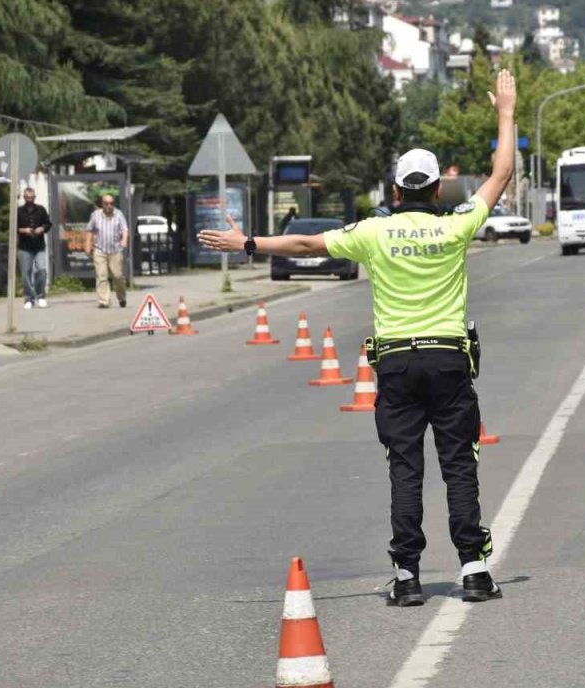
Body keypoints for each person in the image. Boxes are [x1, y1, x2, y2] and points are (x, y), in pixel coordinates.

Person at [200, 69, 518, 607]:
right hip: (448, 360)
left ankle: (408, 577)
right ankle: (473, 569)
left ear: (395, 191)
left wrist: (248, 241)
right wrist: (505, 112)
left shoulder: (373, 232)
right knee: (459, 463)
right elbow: (503, 171)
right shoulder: (455, 225)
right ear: (438, 189)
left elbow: (305, 244)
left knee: (405, 468)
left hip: (395, 364)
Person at [84, 193, 129, 308]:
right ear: (102, 204)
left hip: (115, 250)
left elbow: (125, 229)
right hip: (100, 250)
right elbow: (89, 230)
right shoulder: (95, 215)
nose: (109, 206)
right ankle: (104, 301)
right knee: (101, 276)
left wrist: (124, 240)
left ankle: (122, 297)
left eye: (111, 203)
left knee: (118, 276)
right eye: (106, 203)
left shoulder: (119, 214)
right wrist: (88, 245)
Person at [17, 187, 52, 310]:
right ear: (24, 198)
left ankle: (41, 296)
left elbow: (48, 224)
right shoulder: (19, 211)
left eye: (31, 198)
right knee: (26, 274)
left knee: (41, 269)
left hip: (39, 246)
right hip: (24, 247)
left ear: (34, 197)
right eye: (27, 198)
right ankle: (28, 298)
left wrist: (41, 229)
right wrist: (24, 230)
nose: (29, 200)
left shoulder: (41, 210)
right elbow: (14, 228)